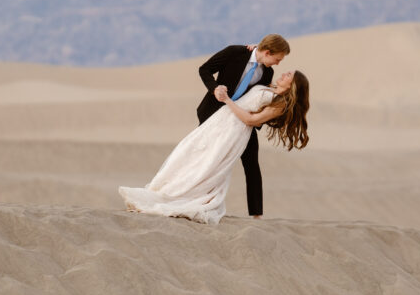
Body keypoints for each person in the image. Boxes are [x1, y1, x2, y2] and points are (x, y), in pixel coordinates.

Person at [118, 70, 310, 224]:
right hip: (220, 121)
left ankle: (179, 197)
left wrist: (227, 101)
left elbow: (251, 120)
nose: (284, 73)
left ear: (293, 86)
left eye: (289, 76)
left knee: (209, 164)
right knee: (188, 152)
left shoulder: (280, 104)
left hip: (233, 131)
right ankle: (163, 191)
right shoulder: (269, 89)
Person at [195, 34, 291, 217]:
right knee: (209, 158)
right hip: (213, 114)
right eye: (277, 59)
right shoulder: (234, 52)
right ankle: (202, 203)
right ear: (268, 52)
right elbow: (204, 69)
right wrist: (214, 88)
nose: (278, 64)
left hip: (242, 122)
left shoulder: (267, 72)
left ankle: (256, 214)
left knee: (252, 164)